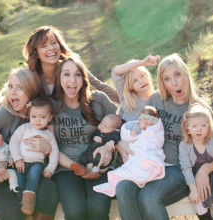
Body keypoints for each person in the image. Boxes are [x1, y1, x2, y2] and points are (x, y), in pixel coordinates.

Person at [115, 53, 213, 220]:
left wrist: (205, 170)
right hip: (151, 163)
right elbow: (139, 127)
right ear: (162, 82)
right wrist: (120, 142)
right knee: (123, 188)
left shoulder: (198, 108)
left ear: (185, 73)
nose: (174, 82)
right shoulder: (156, 100)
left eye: (177, 74)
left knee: (148, 198)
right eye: (167, 78)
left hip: (180, 168)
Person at [0, 68, 58, 220]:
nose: (13, 92)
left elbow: (49, 143)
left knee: (50, 191)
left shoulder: (38, 113)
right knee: (14, 213)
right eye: (10, 86)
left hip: (20, 171)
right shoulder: (4, 114)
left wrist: (48, 149)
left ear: (32, 91)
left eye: (20, 88)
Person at [0, 25, 119, 117]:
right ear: (36, 51)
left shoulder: (71, 68)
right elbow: (14, 93)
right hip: (42, 124)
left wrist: (129, 101)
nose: (51, 49)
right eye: (44, 46)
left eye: (54, 43)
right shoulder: (31, 74)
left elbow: (100, 86)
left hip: (70, 123)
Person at [50, 56, 117, 220]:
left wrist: (109, 146)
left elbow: (120, 124)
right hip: (66, 167)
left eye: (77, 74)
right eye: (66, 74)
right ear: (59, 79)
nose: (72, 80)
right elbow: (50, 147)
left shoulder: (98, 100)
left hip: (97, 165)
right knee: (75, 211)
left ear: (84, 78)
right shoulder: (51, 106)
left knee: (98, 208)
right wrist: (77, 168)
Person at [93, 106, 165, 197]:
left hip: (149, 153)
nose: (147, 126)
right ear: (139, 119)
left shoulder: (154, 130)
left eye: (151, 124)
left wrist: (140, 136)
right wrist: (132, 135)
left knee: (146, 165)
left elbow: (157, 140)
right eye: (145, 123)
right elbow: (125, 136)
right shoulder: (133, 127)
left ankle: (144, 169)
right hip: (134, 153)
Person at [179, 103, 213, 220]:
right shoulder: (184, 145)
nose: (199, 129)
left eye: (203, 125)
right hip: (197, 180)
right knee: (197, 201)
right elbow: (186, 168)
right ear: (187, 129)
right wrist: (193, 190)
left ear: (208, 127)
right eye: (194, 126)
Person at [9, 97, 59, 216]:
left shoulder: (48, 135)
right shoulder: (25, 128)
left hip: (36, 163)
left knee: (33, 177)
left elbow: (54, 152)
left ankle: (29, 202)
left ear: (50, 117)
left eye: (43, 117)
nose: (38, 120)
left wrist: (51, 167)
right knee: (19, 181)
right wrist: (18, 159)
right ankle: (24, 206)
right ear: (29, 115)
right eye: (34, 116)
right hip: (21, 162)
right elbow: (13, 142)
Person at [111, 55, 159, 122]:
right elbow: (115, 71)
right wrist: (142, 62)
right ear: (130, 87)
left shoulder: (157, 100)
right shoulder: (127, 100)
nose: (141, 81)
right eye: (135, 80)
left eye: (142, 76)